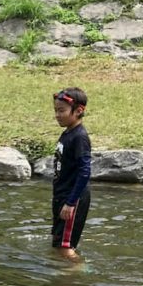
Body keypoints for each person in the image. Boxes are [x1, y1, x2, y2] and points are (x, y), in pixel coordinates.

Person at [51, 88, 91, 262]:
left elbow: (85, 172)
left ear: (79, 111)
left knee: (65, 249)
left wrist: (71, 202)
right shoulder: (68, 132)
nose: (57, 115)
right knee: (58, 243)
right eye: (56, 111)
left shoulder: (80, 137)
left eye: (62, 111)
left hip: (72, 199)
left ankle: (82, 274)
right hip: (62, 196)